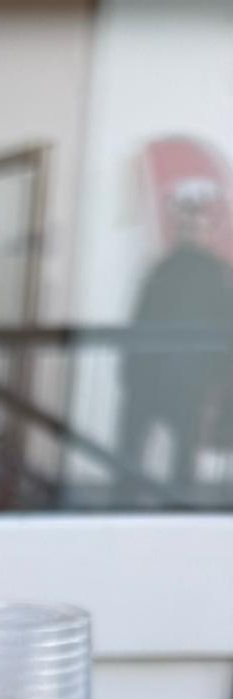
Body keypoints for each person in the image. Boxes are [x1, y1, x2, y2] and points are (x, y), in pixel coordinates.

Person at [119, 183, 233, 501]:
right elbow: (141, 318)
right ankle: (126, 501)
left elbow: (226, 329)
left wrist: (217, 380)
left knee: (183, 454)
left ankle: (177, 506)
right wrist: (131, 368)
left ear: (207, 229)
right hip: (149, 375)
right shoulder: (162, 269)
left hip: (190, 380)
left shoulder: (217, 274)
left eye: (197, 223)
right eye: (186, 222)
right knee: (131, 448)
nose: (191, 228)